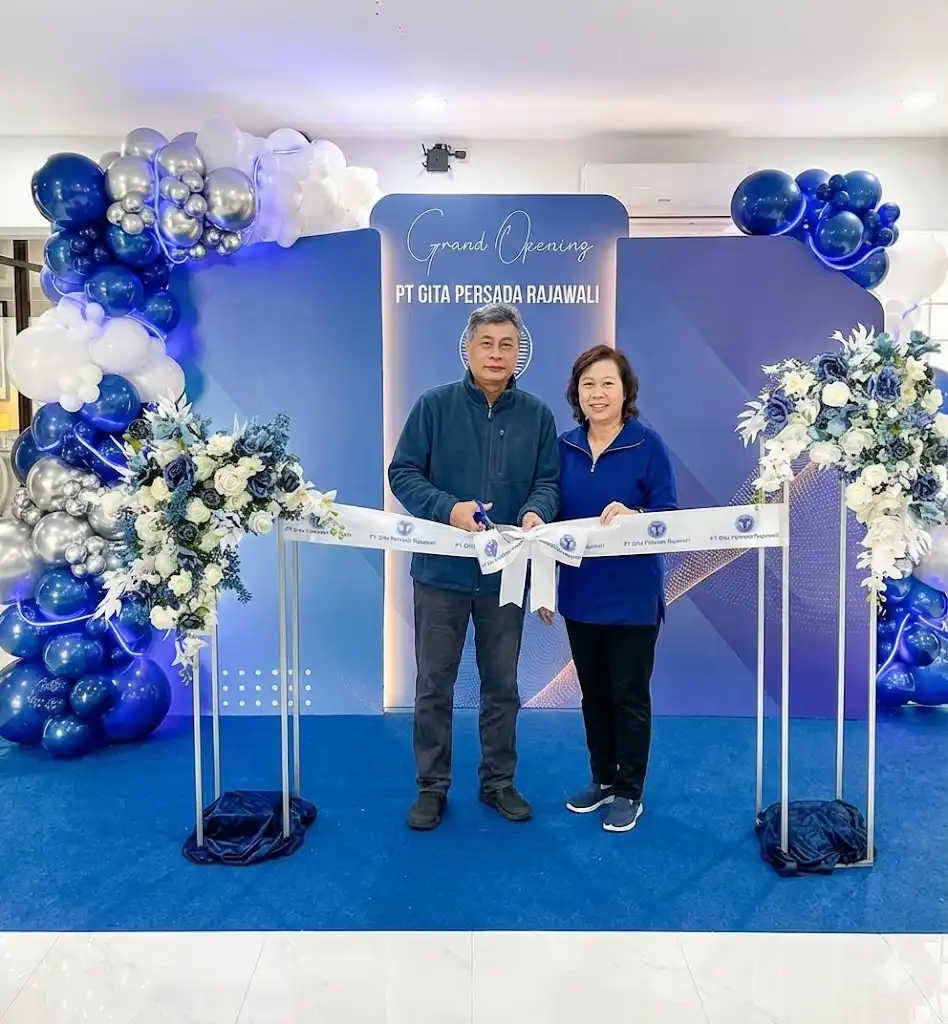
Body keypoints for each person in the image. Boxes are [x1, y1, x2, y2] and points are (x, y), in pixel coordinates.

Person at [388, 302, 560, 831]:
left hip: (506, 574)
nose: (496, 354)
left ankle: (498, 782)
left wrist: (536, 511)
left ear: (519, 353)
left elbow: (549, 482)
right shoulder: (433, 406)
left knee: (501, 685)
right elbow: (403, 473)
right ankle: (431, 786)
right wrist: (448, 509)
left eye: (507, 345)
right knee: (433, 683)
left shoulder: (537, 415)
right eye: (487, 343)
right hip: (439, 575)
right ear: (468, 348)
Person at [540, 344, 676, 833]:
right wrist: (542, 584)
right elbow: (547, 514)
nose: (597, 393)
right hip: (580, 595)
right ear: (576, 393)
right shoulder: (563, 447)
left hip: (633, 598)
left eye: (607, 384)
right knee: (593, 695)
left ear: (625, 391)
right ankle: (602, 780)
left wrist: (636, 515)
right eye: (588, 384)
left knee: (629, 697)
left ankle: (630, 790)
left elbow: (668, 515)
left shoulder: (648, 445)